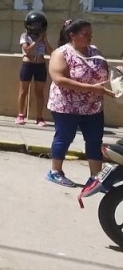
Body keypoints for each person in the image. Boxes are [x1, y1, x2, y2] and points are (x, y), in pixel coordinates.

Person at [46, 19, 111, 192]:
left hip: (93, 106)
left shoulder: (94, 51)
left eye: (91, 33)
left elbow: (105, 70)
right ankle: (55, 171)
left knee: (94, 140)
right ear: (72, 35)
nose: (90, 36)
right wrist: (92, 88)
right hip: (67, 106)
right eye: (85, 34)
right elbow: (59, 79)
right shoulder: (61, 53)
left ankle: (95, 178)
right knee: (65, 137)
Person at [17, 11, 52, 126]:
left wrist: (45, 40)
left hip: (40, 64)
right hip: (28, 64)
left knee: (39, 92)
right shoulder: (25, 36)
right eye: (34, 24)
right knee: (23, 91)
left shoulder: (44, 37)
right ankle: (20, 114)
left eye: (39, 24)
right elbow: (27, 50)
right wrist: (37, 40)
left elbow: (51, 52)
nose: (37, 27)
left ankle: (39, 117)